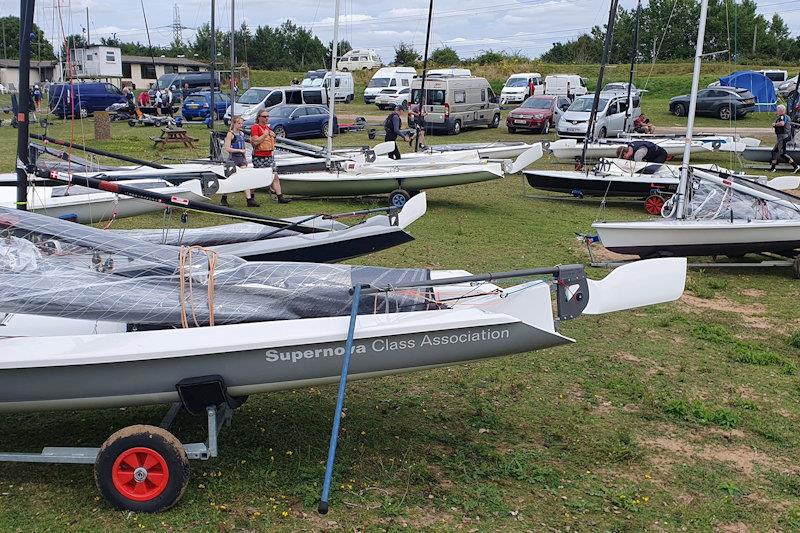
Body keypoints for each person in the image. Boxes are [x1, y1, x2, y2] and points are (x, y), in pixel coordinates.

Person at [219, 115, 260, 207]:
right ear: (234, 123)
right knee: (230, 179)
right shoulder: (230, 134)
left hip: (241, 159)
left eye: (242, 123)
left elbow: (243, 148)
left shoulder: (241, 134)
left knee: (245, 177)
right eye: (238, 123)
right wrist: (239, 151)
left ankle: (249, 199)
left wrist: (244, 158)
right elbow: (227, 148)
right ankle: (223, 198)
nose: (240, 125)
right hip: (232, 159)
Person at [250, 110, 290, 204]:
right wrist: (265, 134)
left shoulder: (268, 128)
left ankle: (280, 197)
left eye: (267, 116)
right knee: (257, 178)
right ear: (259, 117)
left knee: (275, 176)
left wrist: (273, 136)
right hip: (259, 156)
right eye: (264, 116)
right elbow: (255, 141)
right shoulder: (255, 127)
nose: (266, 118)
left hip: (269, 156)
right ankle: (251, 198)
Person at [769, 104, 799, 173]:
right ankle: (773, 168)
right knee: (774, 151)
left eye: (777, 110)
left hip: (783, 137)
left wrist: (775, 124)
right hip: (782, 137)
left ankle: (795, 166)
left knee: (782, 153)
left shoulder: (782, 117)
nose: (777, 111)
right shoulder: (786, 117)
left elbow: (782, 124)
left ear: (781, 110)